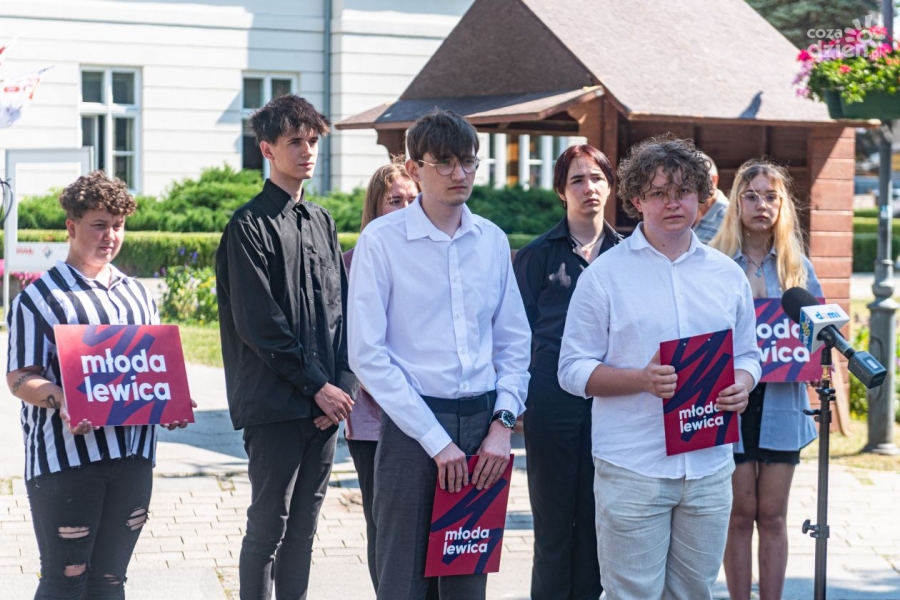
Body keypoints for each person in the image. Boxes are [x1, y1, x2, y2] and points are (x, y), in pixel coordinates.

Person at [557, 136, 761, 600]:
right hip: (634, 466)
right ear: (635, 200)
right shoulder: (604, 275)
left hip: (709, 465)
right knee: (631, 594)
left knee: (695, 592)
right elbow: (570, 370)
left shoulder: (726, 275)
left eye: (683, 191)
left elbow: (748, 354)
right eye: (658, 193)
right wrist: (639, 380)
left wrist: (743, 383)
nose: (672, 203)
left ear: (701, 197)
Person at [347, 108, 531, 600]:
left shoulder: (491, 240)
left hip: (483, 431)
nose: (459, 174)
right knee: (402, 582)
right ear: (414, 168)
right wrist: (435, 441)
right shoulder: (382, 241)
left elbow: (514, 344)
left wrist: (502, 425)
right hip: (412, 428)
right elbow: (366, 354)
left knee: (466, 585)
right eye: (444, 162)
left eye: (468, 162)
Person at [6, 170, 191, 599]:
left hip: (133, 457)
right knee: (66, 578)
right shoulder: (39, 298)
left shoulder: (137, 294)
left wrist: (169, 399)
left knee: (110, 579)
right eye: (99, 225)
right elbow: (19, 377)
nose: (111, 236)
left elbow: (149, 368)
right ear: (71, 227)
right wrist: (63, 400)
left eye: (118, 225)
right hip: (66, 461)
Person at [216, 94, 357, 600]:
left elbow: (343, 313)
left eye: (313, 140)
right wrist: (318, 387)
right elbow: (259, 324)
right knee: (267, 528)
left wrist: (342, 388)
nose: (307, 151)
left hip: (325, 408)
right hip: (275, 407)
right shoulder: (247, 226)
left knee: (304, 531)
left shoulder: (322, 221)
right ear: (267, 149)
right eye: (295, 141)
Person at [512, 144, 620, 600]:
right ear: (561, 190)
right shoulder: (537, 255)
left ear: (610, 186)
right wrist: (514, 404)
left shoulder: (628, 255)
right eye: (577, 179)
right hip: (551, 402)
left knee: (600, 523)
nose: (588, 187)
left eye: (597, 178)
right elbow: (515, 335)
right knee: (554, 526)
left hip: (613, 403)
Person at [710, 159, 820, 600]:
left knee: (772, 515)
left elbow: (816, 339)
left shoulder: (798, 267)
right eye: (752, 195)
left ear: (782, 204)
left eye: (771, 196)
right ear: (737, 202)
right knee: (739, 514)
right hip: (730, 402)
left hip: (781, 403)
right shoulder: (715, 263)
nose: (761, 205)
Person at [339, 157, 418, 592]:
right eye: (394, 200)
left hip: (427, 413)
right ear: (375, 206)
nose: (405, 208)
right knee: (384, 522)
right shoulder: (351, 264)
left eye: (412, 199)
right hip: (374, 417)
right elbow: (354, 347)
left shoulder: (431, 258)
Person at [692, 153, 729, 243]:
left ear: (714, 180)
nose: (692, 186)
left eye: (698, 180)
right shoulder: (681, 210)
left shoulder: (730, 216)